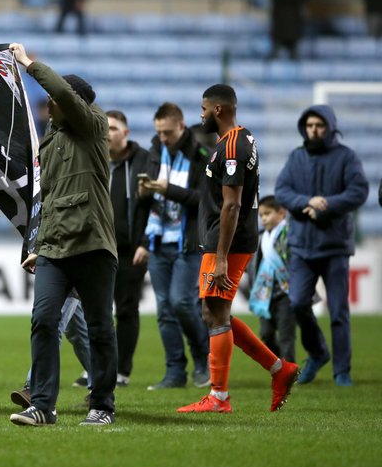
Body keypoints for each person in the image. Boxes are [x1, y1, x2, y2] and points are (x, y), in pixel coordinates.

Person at [8, 42, 118, 427]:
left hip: (92, 241)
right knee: (43, 320)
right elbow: (51, 198)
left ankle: (102, 406)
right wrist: (38, 245)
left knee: (101, 327)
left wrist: (28, 64)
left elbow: (62, 93)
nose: (48, 106)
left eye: (54, 100)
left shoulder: (93, 126)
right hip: (55, 247)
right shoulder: (50, 141)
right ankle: (42, 405)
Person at [178, 84, 299, 414]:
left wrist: (219, 257)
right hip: (227, 238)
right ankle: (279, 369)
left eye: (203, 108)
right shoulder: (240, 139)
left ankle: (218, 396)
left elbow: (232, 206)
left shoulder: (232, 147)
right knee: (219, 313)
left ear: (217, 109)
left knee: (212, 312)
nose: (200, 115)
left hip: (227, 240)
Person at [275, 105, 368, 387]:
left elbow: (358, 190)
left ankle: (342, 371)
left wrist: (326, 206)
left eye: (319, 125)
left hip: (335, 246)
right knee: (298, 303)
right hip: (301, 247)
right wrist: (306, 202)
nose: (314, 130)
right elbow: (282, 191)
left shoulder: (346, 157)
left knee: (338, 311)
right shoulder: (296, 157)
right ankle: (318, 353)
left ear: (330, 127)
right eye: (310, 125)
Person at [138, 103, 210, 390]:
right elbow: (145, 200)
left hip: (189, 241)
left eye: (168, 132)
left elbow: (205, 199)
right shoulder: (155, 151)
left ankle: (203, 359)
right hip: (157, 240)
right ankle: (175, 372)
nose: (163, 137)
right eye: (159, 132)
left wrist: (169, 190)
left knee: (182, 301)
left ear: (181, 126)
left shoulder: (202, 154)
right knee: (165, 308)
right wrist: (143, 192)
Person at [103, 110, 151, 387]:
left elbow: (154, 205)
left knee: (125, 309)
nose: (107, 133)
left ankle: (122, 370)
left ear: (126, 133)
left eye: (113, 128)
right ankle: (95, 367)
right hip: (97, 248)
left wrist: (145, 242)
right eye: (104, 128)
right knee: (94, 313)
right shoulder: (95, 158)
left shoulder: (144, 161)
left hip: (130, 249)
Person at [249, 195, 296, 363]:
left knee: (286, 335)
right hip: (265, 295)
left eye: (267, 214)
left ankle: (289, 370)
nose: (263, 218)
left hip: (286, 293)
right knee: (266, 334)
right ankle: (280, 365)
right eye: (261, 215)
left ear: (281, 213)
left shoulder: (289, 235)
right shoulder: (261, 238)